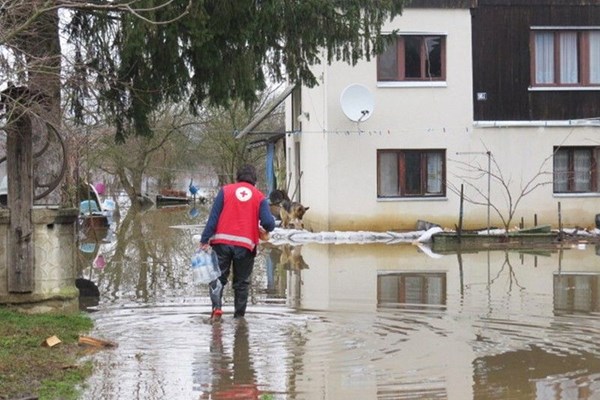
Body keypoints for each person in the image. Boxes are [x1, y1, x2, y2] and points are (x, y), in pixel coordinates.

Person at [200, 164, 276, 321]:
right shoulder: (259, 196)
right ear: (254, 180)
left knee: (218, 277)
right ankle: (239, 318)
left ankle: (217, 308)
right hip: (245, 246)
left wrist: (204, 239)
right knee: (242, 283)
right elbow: (269, 223)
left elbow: (213, 219)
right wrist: (262, 228)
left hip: (221, 243)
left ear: (237, 177)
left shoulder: (225, 191)